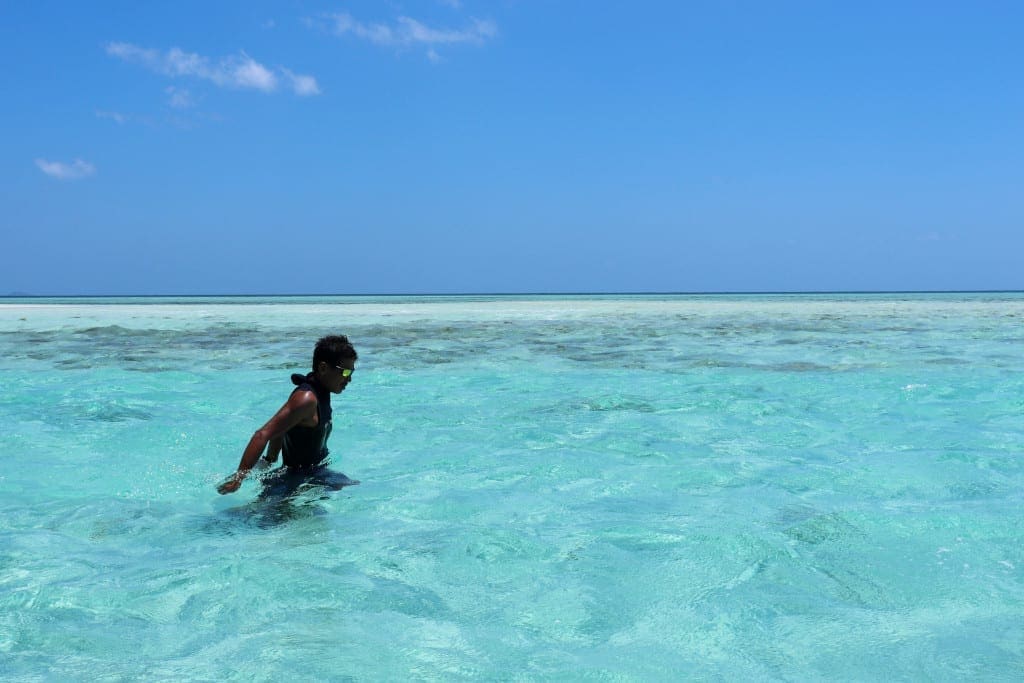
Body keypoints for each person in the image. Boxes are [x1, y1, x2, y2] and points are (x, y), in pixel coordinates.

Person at [217, 335, 358, 495]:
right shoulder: (306, 399)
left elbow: (284, 426)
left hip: (316, 473)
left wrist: (270, 458)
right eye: (345, 372)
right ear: (323, 368)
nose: (349, 379)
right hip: (295, 479)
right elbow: (262, 434)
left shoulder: (322, 392)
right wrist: (239, 478)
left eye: (352, 372)